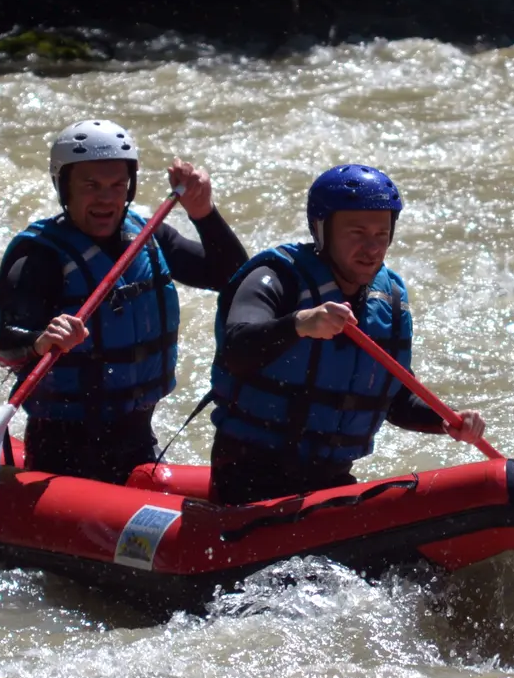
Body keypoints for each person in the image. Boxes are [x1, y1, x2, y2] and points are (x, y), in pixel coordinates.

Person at [205, 164, 485, 504]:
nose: (371, 248)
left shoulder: (389, 299)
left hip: (330, 479)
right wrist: (298, 323)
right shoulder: (277, 278)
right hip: (247, 476)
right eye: (357, 233)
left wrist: (446, 421)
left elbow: (392, 399)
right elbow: (236, 348)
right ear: (322, 230)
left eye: (381, 235)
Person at [0, 119, 248, 483]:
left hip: (137, 436)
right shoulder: (39, 259)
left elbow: (235, 278)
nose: (106, 198)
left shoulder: (146, 234)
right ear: (64, 187)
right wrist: (40, 339)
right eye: (91, 186)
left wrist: (204, 214)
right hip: (62, 450)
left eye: (117, 185)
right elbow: (5, 346)